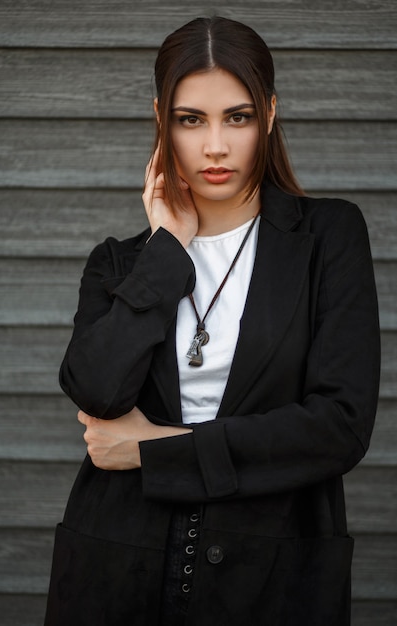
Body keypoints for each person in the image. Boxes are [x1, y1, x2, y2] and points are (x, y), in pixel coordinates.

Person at [44, 16, 380, 626]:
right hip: (115, 575)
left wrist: (155, 448)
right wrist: (167, 251)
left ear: (270, 115)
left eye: (239, 117)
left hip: (270, 581)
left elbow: (339, 427)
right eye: (190, 119)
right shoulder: (120, 262)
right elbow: (96, 391)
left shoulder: (328, 237)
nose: (216, 146)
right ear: (161, 119)